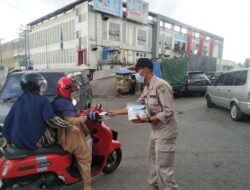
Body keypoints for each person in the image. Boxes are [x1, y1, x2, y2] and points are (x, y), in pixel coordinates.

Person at [2, 73, 94, 190]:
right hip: (36, 141)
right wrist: (70, 127)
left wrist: (7, 140)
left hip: (18, 140)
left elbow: (8, 122)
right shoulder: (42, 101)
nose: (43, 88)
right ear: (34, 86)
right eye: (42, 85)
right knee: (84, 156)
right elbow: (52, 120)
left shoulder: (20, 100)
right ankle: (87, 186)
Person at [109, 58, 179, 190]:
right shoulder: (147, 87)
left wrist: (147, 119)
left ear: (146, 70)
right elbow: (137, 106)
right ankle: (155, 185)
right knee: (152, 160)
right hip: (156, 130)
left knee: (163, 167)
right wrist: (114, 112)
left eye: (137, 70)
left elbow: (169, 112)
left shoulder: (161, 86)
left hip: (166, 130)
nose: (135, 74)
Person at [51, 77, 97, 190]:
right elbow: (72, 121)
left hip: (63, 133)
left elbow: (74, 113)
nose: (75, 93)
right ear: (66, 90)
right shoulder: (64, 104)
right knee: (85, 157)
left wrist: (85, 113)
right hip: (69, 134)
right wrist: (85, 117)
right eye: (73, 91)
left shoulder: (59, 101)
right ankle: (87, 186)